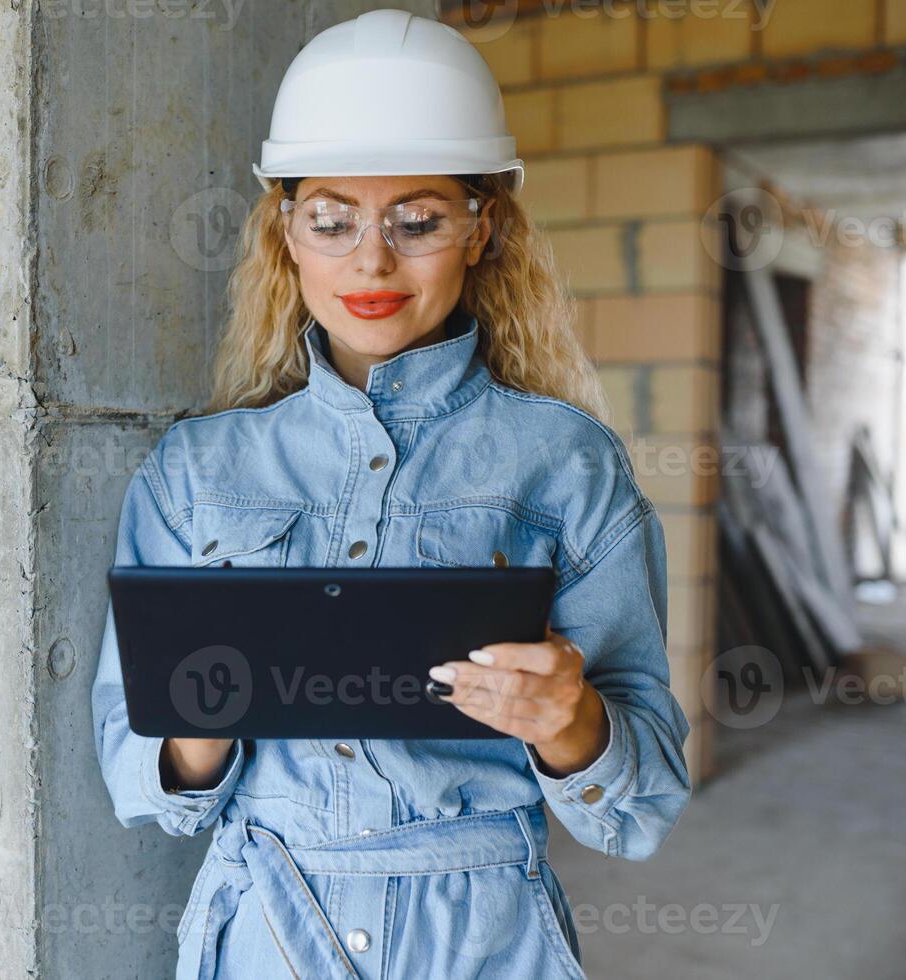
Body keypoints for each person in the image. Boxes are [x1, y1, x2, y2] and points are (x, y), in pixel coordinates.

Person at [91, 9, 691, 978]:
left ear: (480, 228)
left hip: (483, 938)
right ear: (284, 231)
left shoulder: (568, 466)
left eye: (417, 220)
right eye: (330, 218)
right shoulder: (194, 474)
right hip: (268, 932)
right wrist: (198, 723)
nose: (370, 260)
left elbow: (645, 798)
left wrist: (571, 721)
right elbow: (137, 770)